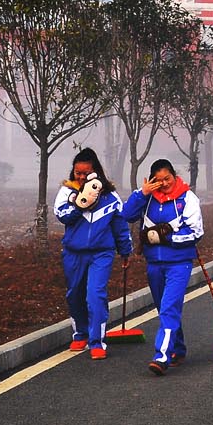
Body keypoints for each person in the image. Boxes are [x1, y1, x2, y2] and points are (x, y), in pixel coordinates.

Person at [117, 158, 206, 376]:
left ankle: (162, 356)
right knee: (164, 308)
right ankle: (178, 348)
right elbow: (126, 215)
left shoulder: (187, 198)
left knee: (168, 307)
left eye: (168, 179)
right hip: (154, 264)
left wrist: (168, 239)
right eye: (159, 180)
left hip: (179, 263)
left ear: (175, 176)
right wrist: (142, 192)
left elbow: (196, 232)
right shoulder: (147, 199)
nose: (164, 183)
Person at [54, 147, 130, 359]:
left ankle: (97, 341)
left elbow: (120, 226)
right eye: (78, 172)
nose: (81, 176)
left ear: (96, 172)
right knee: (75, 294)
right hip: (73, 253)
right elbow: (62, 216)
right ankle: (81, 333)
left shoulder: (111, 196)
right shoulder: (67, 192)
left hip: (101, 253)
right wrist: (81, 203)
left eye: (86, 173)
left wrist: (125, 251)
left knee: (95, 294)